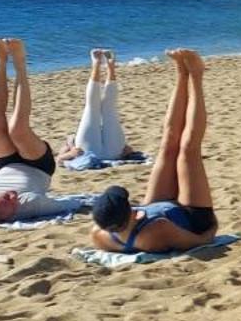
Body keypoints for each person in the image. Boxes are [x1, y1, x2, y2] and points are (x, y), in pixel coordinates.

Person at [90, 50, 220, 254]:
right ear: (130, 213)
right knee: (187, 149)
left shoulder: (99, 235)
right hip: (192, 217)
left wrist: (143, 212)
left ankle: (180, 73)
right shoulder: (156, 232)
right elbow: (201, 240)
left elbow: (115, 222)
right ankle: (196, 76)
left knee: (168, 143)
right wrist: (212, 227)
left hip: (155, 210)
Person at [0, 38, 70, 223]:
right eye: (13, 202)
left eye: (5, 198)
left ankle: (0, 59)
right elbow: (68, 205)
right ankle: (20, 64)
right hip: (38, 167)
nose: (12, 195)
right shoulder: (31, 205)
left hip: (5, 165)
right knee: (17, 129)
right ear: (15, 211)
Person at [62, 48, 127, 164]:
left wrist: (70, 152)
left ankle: (101, 65)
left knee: (101, 109)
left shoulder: (70, 140)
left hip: (91, 153)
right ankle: (105, 65)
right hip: (112, 153)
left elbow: (59, 159)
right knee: (101, 109)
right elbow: (59, 159)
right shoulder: (71, 139)